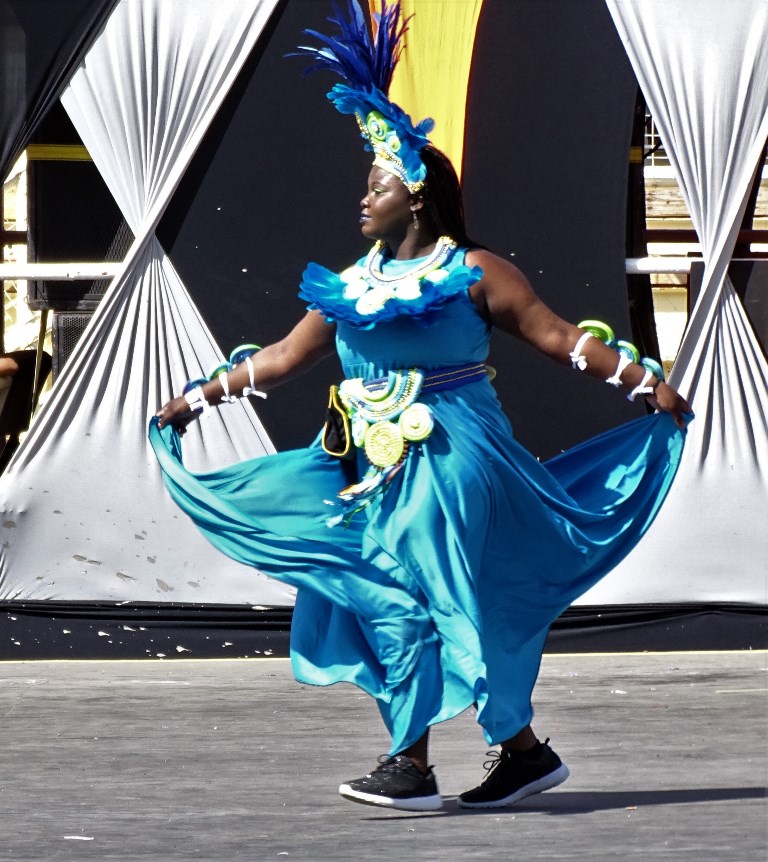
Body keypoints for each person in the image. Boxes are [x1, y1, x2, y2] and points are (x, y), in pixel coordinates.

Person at [151, 1, 691, 812]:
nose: (361, 203)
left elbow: (552, 336)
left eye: (375, 188)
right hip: (369, 464)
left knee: (420, 592)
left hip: (450, 458)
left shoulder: (474, 271)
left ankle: (415, 760)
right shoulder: (353, 282)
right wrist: (197, 396)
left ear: (415, 194)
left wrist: (637, 381)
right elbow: (286, 357)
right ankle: (516, 751)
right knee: (380, 594)